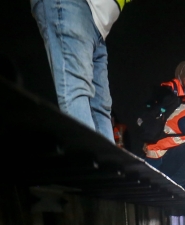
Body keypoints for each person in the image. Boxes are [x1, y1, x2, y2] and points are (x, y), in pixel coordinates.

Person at [31, 0, 132, 142]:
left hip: (98, 22)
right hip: (73, 6)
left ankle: (105, 163)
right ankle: (89, 162)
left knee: (100, 109)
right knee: (77, 94)